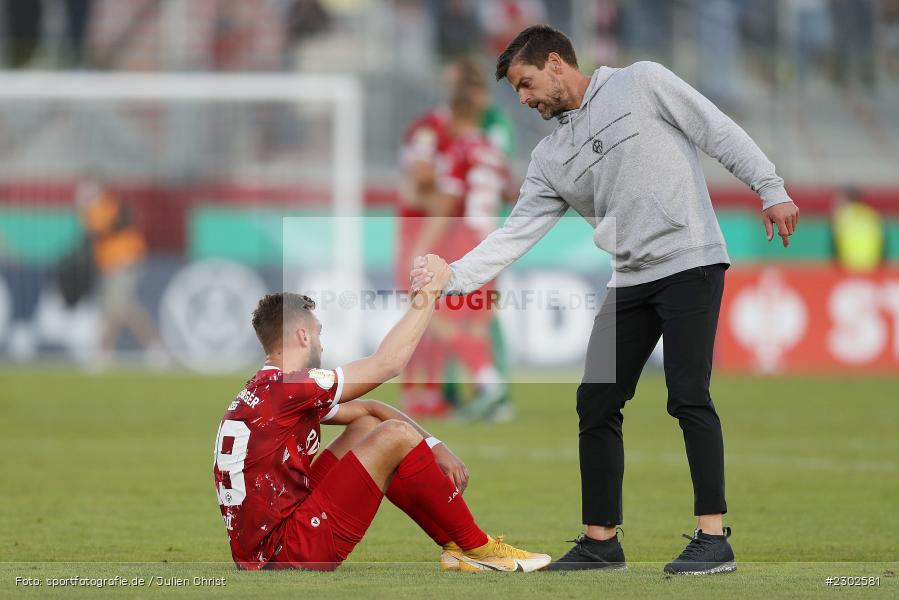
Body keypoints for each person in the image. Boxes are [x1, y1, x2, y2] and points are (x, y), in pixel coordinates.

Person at [411, 25, 800, 575]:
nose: (524, 99)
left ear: (554, 63)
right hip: (630, 280)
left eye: (526, 84)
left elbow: (715, 129)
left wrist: (771, 186)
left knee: (688, 395)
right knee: (595, 399)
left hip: (691, 261)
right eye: (516, 92)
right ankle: (601, 542)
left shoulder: (642, 83)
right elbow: (513, 235)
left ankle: (713, 538)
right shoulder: (550, 157)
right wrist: (449, 275)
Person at [212, 256, 550, 572]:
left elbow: (370, 410)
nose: (322, 344)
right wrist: (429, 295)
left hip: (268, 544)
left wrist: (434, 444)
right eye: (318, 334)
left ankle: (456, 546)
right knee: (396, 436)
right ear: (302, 335)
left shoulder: (266, 389)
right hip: (287, 553)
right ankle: (480, 549)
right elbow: (388, 363)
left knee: (368, 426)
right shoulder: (291, 387)